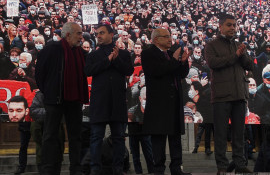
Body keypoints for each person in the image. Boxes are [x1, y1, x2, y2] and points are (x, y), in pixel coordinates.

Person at [35, 22, 89, 175]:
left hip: (75, 99)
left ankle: (76, 168)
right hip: (55, 100)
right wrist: (49, 91)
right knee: (50, 135)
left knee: (76, 136)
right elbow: (40, 74)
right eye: (78, 33)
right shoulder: (52, 49)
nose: (81, 37)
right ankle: (49, 169)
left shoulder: (80, 52)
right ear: (68, 35)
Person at [205, 14, 253, 174]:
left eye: (234, 25)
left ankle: (239, 164)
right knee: (220, 134)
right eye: (229, 25)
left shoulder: (239, 44)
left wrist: (243, 54)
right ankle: (222, 167)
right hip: (221, 96)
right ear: (220, 26)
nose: (233, 28)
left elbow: (249, 66)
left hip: (240, 95)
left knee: (239, 133)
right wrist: (236, 55)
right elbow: (214, 63)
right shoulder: (211, 45)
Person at [84, 24, 134, 175]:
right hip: (100, 102)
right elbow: (88, 71)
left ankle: (118, 169)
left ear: (111, 34)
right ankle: (95, 169)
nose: (98, 36)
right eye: (97, 33)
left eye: (102, 33)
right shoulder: (93, 55)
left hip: (118, 101)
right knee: (96, 137)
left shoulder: (124, 54)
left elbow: (129, 70)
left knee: (118, 137)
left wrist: (116, 59)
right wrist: (108, 60)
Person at [141, 28, 191, 175]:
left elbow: (181, 74)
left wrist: (184, 62)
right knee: (159, 139)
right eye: (166, 37)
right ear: (156, 39)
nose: (170, 39)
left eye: (170, 36)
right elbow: (157, 71)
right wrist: (175, 60)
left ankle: (176, 168)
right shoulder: (148, 53)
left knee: (175, 138)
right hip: (158, 104)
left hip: (174, 102)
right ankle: (158, 169)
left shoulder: (170, 54)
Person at [8, 96, 31, 174]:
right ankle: (21, 167)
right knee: (23, 147)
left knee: (41, 145)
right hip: (24, 126)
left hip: (35, 125)